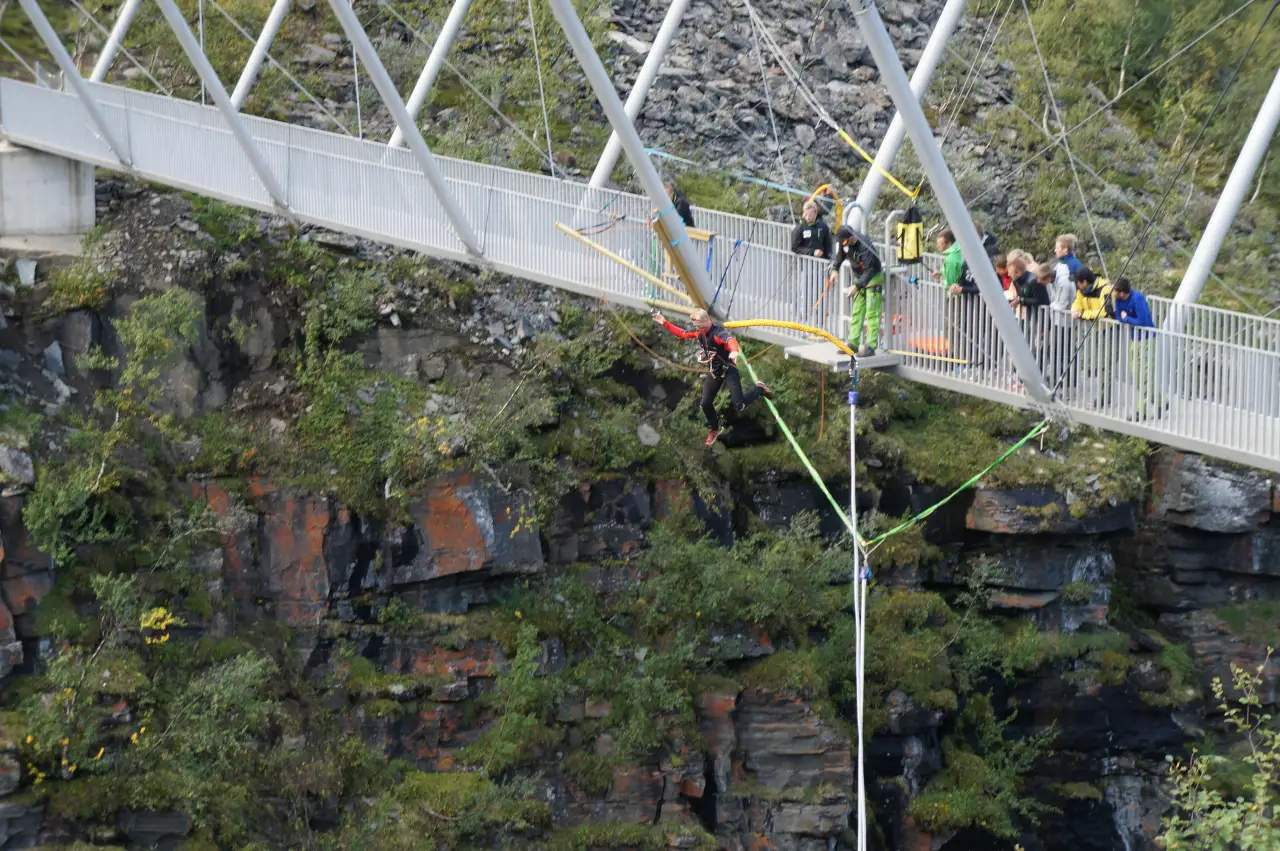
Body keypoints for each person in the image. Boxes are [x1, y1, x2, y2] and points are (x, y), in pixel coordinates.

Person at [653, 308, 773, 446]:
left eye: (698, 325)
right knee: (705, 403)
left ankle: (760, 390)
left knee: (739, 405)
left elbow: (730, 340)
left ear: (706, 321)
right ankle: (715, 429)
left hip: (728, 370)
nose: (697, 328)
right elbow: (682, 333)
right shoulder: (700, 333)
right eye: (695, 326)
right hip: (715, 372)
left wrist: (734, 352)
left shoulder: (717, 333)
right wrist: (664, 322)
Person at [827, 226, 884, 357]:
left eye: (844, 242)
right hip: (859, 278)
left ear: (851, 237)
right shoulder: (843, 243)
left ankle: (871, 346)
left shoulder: (865, 245)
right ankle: (853, 344)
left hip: (872, 278)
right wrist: (835, 270)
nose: (842, 244)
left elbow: (870, 269)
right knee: (857, 311)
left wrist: (857, 286)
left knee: (872, 313)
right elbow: (839, 256)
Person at [1112, 277, 1159, 419]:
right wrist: (1124, 318)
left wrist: (1127, 318)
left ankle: (1141, 411)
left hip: (1147, 339)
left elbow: (1143, 321)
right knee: (1137, 374)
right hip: (1135, 339)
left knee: (1143, 376)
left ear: (1121, 292)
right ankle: (1161, 402)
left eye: (1115, 291)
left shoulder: (1137, 298)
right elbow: (1119, 317)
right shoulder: (1119, 300)